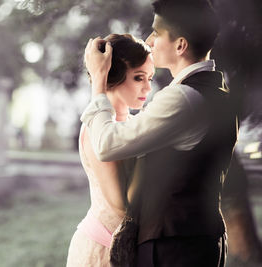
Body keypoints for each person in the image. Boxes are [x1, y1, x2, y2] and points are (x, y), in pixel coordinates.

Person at [82, 0, 238, 266]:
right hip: (197, 241)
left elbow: (107, 144)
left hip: (174, 247)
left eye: (156, 32)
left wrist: (99, 79)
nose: (150, 40)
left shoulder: (183, 98)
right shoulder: (216, 92)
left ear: (180, 45)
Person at [66, 33, 154, 267]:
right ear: (113, 77)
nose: (148, 87)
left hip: (130, 249)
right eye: (138, 78)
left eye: (150, 78)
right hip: (100, 250)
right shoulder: (97, 127)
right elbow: (120, 205)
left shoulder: (134, 123)